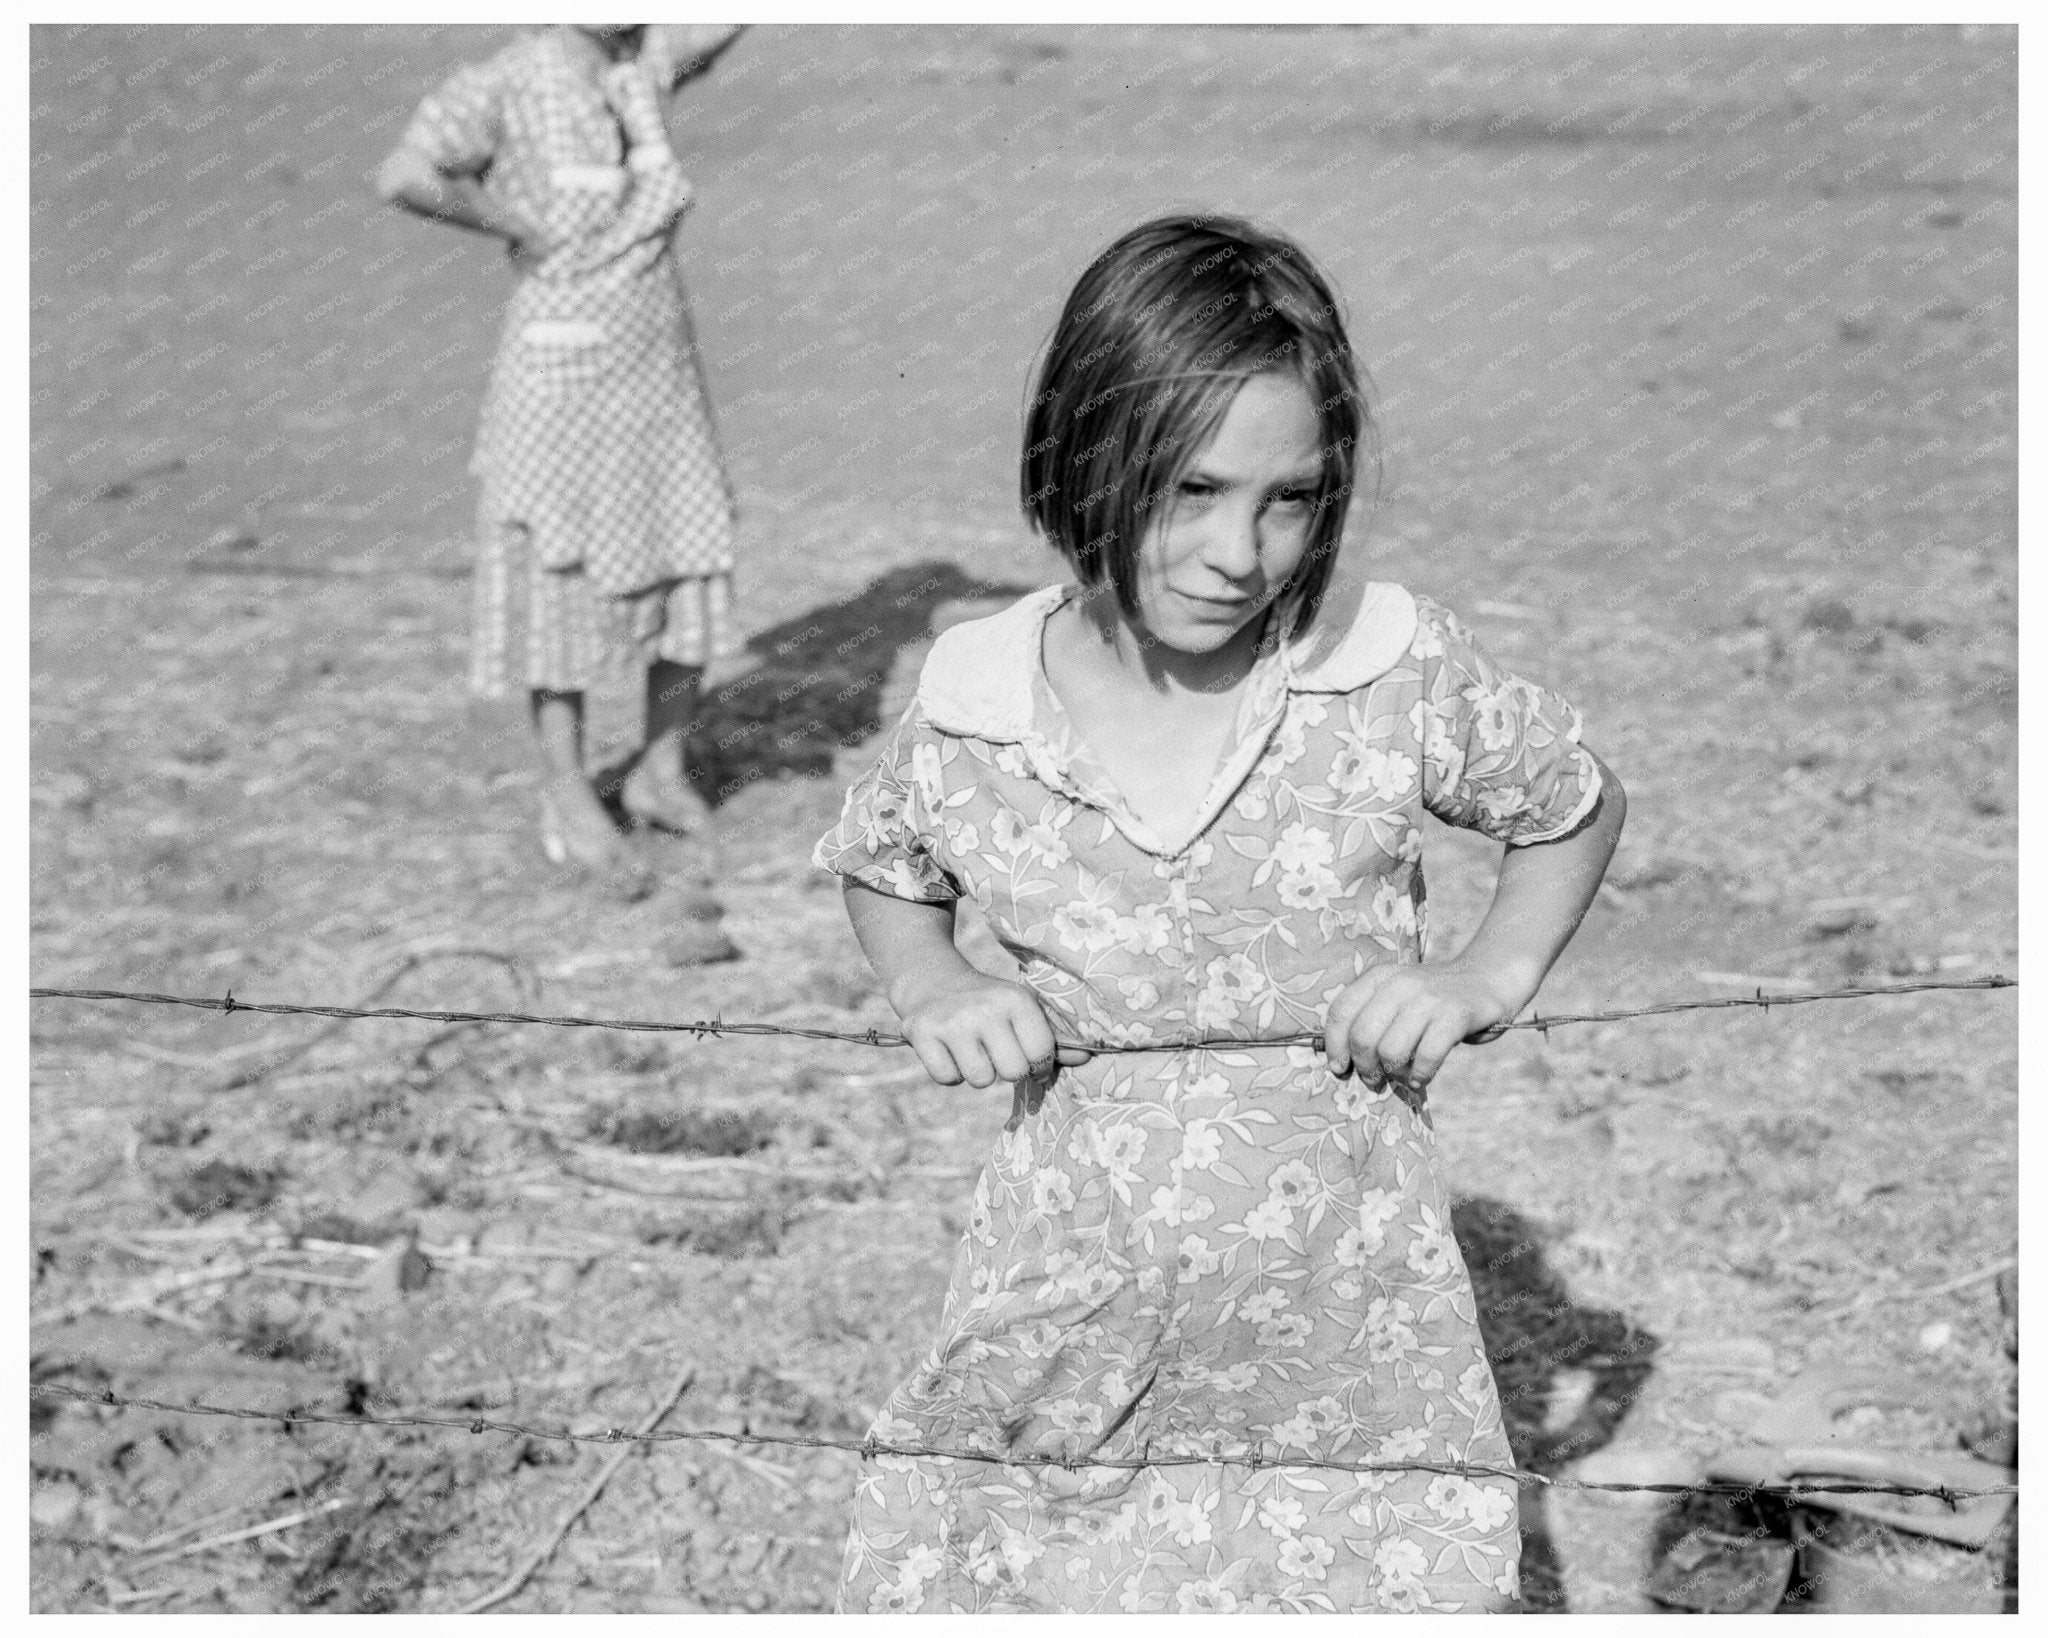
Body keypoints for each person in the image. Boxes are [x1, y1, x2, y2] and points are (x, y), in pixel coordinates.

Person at [812, 215, 1627, 1613]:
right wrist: (933, 985)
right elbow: (884, 862)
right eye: (1189, 488)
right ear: (1081, 455)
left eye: (1290, 499)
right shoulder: (980, 705)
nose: (1238, 552)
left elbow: (1574, 801)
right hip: (1075, 1296)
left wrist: (1485, 971)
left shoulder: (1380, 672)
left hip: (1345, 1325)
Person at [377, 24, 745, 884]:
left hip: (657, 364)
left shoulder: (638, 65)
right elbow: (403, 173)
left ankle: (659, 768)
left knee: (689, 551)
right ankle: (567, 790)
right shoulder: (507, 77)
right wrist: (512, 222)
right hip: (560, 370)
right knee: (560, 583)